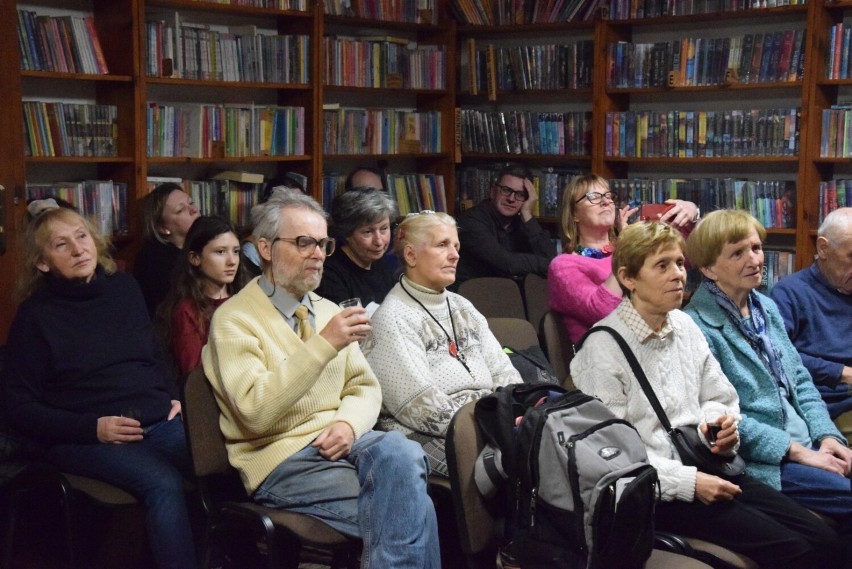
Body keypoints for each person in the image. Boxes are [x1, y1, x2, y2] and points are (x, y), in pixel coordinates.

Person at [571, 221, 844, 569]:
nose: (678, 275)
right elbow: (612, 458)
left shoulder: (683, 325)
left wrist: (718, 425)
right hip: (662, 491)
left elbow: (719, 396)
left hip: (712, 464)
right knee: (797, 550)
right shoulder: (601, 350)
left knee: (825, 540)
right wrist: (689, 483)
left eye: (679, 263)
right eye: (662, 266)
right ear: (628, 278)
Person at [201, 191, 440, 568]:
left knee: (403, 450)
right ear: (265, 247)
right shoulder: (234, 319)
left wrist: (347, 423)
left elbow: (364, 387)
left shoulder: (327, 309)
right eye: (303, 242)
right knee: (413, 506)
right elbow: (255, 412)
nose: (317, 254)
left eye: (323, 243)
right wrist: (325, 343)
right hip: (282, 457)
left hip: (344, 444)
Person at [3, 207, 196, 569]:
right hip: (85, 436)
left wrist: (174, 396)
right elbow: (19, 408)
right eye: (62, 244)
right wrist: (94, 428)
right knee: (164, 484)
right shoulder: (35, 316)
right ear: (42, 263)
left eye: (81, 235)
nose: (78, 249)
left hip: (158, 419)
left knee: (227, 461)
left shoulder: (123, 287)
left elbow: (152, 354)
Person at [683, 209, 852, 546]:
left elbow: (800, 382)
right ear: (708, 268)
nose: (754, 259)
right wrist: (801, 452)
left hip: (808, 440)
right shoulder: (696, 325)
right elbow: (721, 416)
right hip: (767, 459)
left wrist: (828, 435)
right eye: (738, 253)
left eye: (756, 248)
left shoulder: (764, 307)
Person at [365, 211, 522, 477]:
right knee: (519, 464)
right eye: (442, 245)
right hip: (428, 435)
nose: (455, 254)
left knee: (547, 447)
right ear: (411, 256)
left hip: (488, 422)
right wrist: (495, 424)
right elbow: (420, 407)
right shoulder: (392, 316)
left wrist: (515, 413)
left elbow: (504, 371)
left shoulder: (463, 306)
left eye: (456, 246)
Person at [549, 174, 700, 343]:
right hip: (604, 357)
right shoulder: (563, 265)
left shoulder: (628, 249)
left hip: (654, 344)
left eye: (608, 196)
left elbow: (693, 258)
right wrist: (627, 245)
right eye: (593, 197)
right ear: (574, 214)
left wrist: (692, 212)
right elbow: (603, 312)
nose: (606, 202)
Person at [770, 207, 852, 423]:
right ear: (823, 248)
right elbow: (777, 355)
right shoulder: (790, 293)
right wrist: (841, 373)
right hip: (823, 405)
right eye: (851, 256)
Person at [159, 216, 250, 378]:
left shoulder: (247, 297)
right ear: (195, 258)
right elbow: (195, 375)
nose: (232, 261)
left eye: (236, 251)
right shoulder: (187, 310)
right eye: (220, 252)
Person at [455, 164, 556, 285]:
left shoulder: (523, 224)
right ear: (493, 191)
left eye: (520, 194)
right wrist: (550, 264)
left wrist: (527, 214)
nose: (511, 199)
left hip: (507, 297)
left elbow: (551, 260)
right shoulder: (471, 221)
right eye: (506, 190)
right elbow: (507, 263)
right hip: (472, 297)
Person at [315, 188, 398, 306]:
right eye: (368, 232)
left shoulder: (384, 265)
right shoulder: (329, 276)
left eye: (384, 229)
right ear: (347, 234)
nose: (379, 241)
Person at [134, 183, 200, 316]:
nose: (194, 210)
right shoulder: (155, 261)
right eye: (180, 210)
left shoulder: (204, 243)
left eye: (191, 203)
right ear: (162, 228)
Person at [242, 175, 307, 276]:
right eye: (291, 205)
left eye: (302, 204)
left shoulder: (309, 243)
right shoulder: (251, 251)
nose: (299, 212)